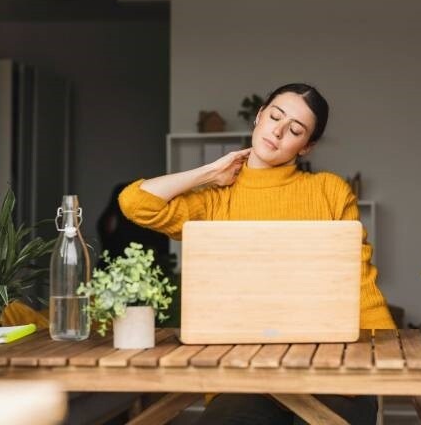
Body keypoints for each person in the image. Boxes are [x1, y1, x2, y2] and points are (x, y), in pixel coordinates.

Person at [118, 83, 395, 424]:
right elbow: (135, 203)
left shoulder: (330, 191)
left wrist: (388, 350)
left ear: (306, 146)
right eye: (275, 116)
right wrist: (210, 172)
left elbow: (360, 281)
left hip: (327, 364)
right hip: (239, 372)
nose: (278, 131)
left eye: (295, 130)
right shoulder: (216, 198)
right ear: (259, 116)